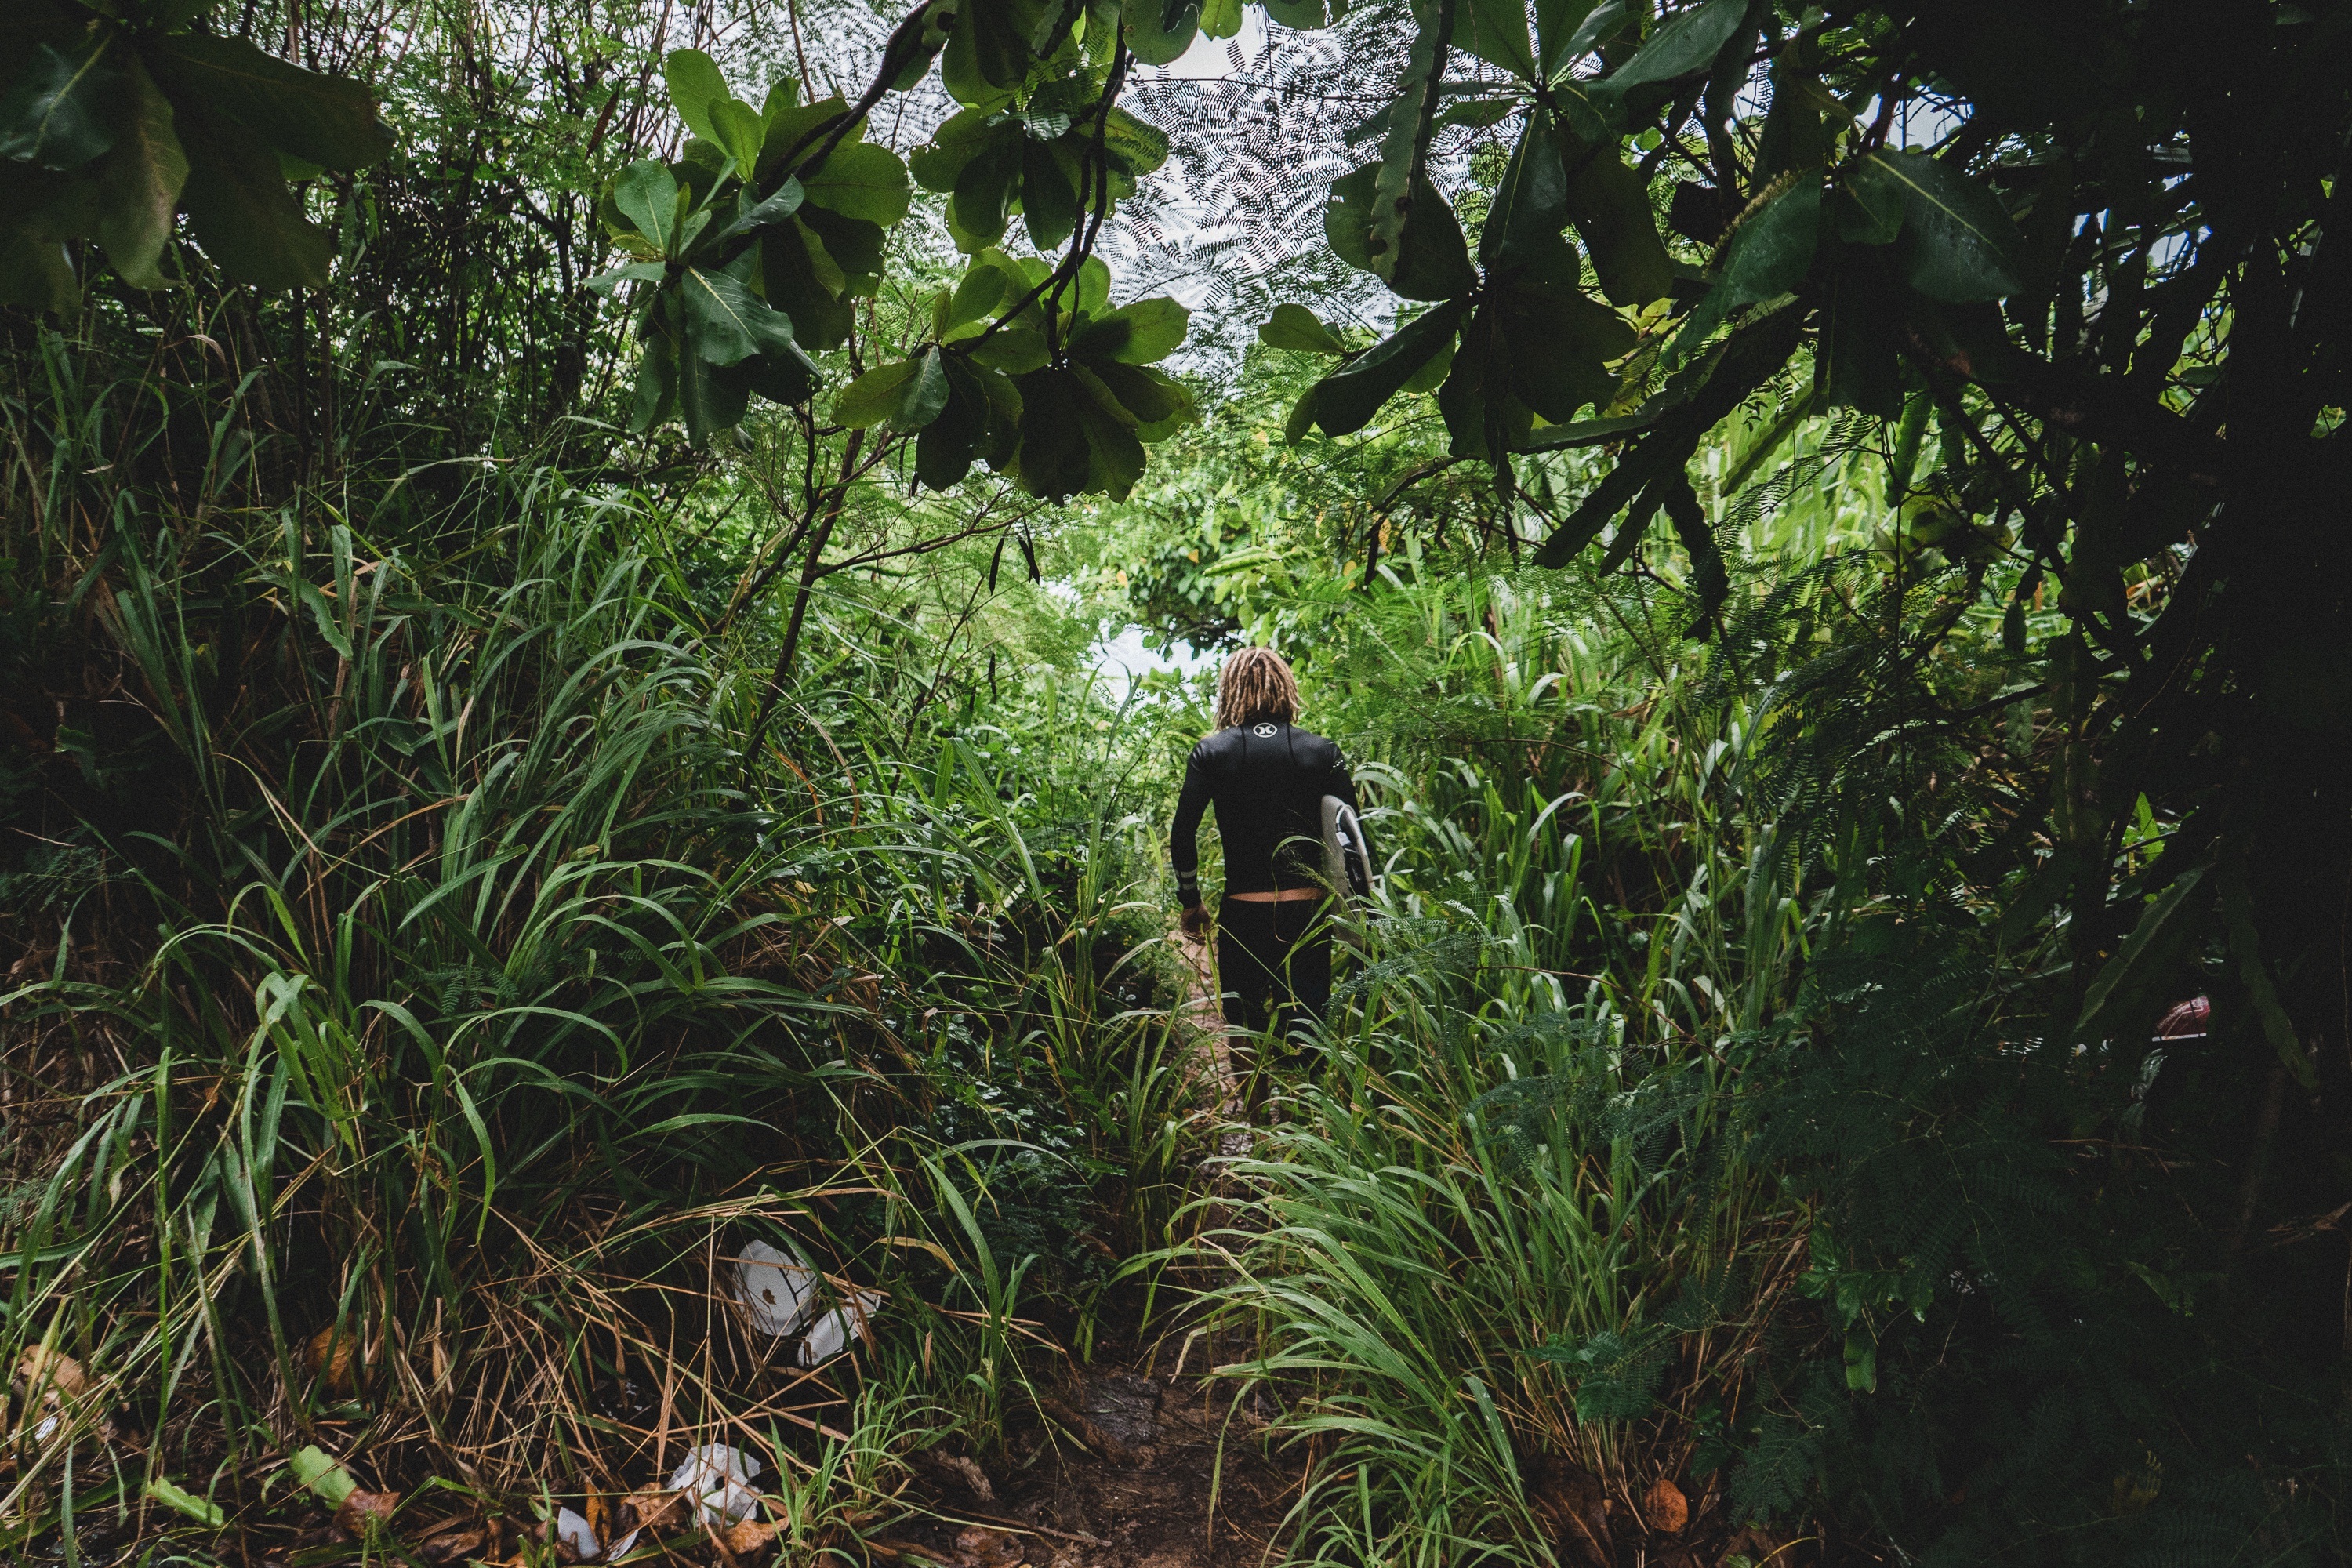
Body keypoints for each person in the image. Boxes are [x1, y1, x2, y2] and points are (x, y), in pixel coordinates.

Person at [1170, 647, 1367, 1101]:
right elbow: (1353, 843)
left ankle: (1259, 1131)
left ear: (1230, 690)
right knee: (1309, 1022)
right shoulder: (1322, 752)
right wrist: (1361, 920)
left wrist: (1190, 902)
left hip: (1244, 914)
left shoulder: (1212, 752)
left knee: (1245, 1024)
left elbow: (1182, 835)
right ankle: (1307, 1134)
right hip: (1308, 913)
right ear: (1285, 688)